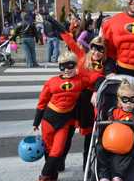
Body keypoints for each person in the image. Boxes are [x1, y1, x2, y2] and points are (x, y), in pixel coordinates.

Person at [46, 16, 107, 171]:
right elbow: (69, 40)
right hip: (73, 99)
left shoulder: (105, 67)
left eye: (101, 49)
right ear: (90, 47)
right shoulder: (81, 56)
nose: (96, 52)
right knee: (67, 133)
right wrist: (54, 22)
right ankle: (59, 161)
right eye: (94, 47)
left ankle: (87, 165)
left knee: (89, 135)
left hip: (89, 102)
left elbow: (101, 80)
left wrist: (95, 91)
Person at [33, 50, 90, 181]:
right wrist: (36, 122)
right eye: (62, 66)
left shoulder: (81, 81)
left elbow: (93, 81)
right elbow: (42, 102)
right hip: (48, 119)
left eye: (70, 66)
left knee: (57, 150)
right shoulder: (51, 82)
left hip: (64, 122)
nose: (66, 69)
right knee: (48, 149)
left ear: (75, 65)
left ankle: (43, 176)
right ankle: (52, 176)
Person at [97, 79, 134, 181]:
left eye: (132, 100)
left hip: (129, 142)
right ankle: (104, 175)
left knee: (132, 151)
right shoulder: (113, 112)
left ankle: (118, 175)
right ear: (119, 100)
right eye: (125, 100)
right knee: (99, 148)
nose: (128, 103)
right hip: (111, 140)